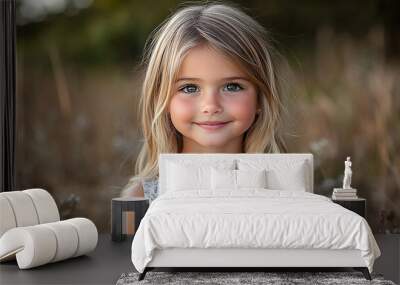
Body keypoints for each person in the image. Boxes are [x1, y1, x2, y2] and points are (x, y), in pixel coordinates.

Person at [120, 2, 288, 200]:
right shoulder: (140, 197)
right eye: (189, 88)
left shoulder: (284, 188)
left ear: (261, 96)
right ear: (162, 99)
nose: (211, 106)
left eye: (232, 86)